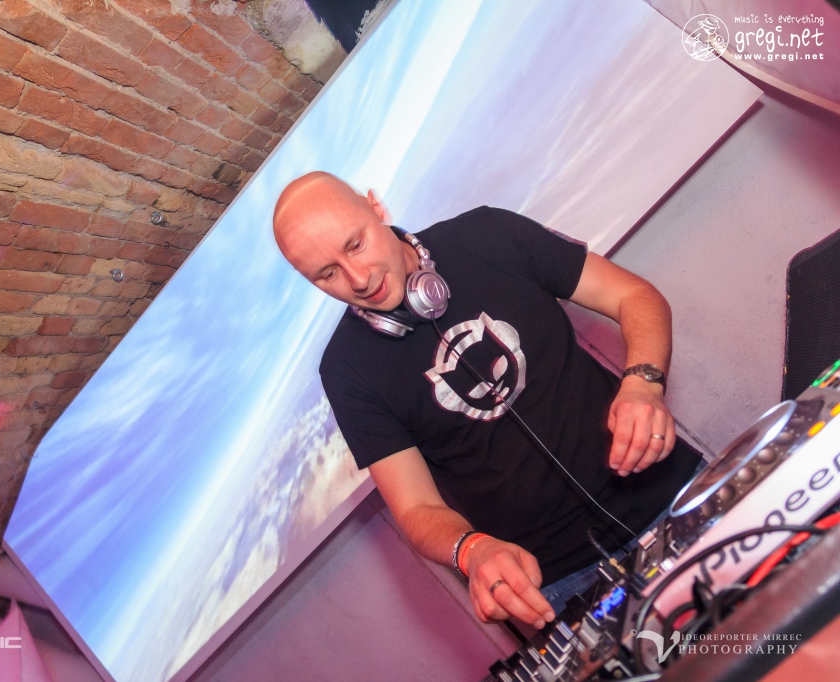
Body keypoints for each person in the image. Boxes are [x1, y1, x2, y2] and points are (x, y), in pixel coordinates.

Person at [273, 172, 701, 630]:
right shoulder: (346, 369)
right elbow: (416, 508)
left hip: (674, 491)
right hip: (558, 581)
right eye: (327, 273)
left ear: (376, 208)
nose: (359, 279)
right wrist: (472, 550)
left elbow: (633, 296)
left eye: (356, 245)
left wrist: (642, 384)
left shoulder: (488, 234)